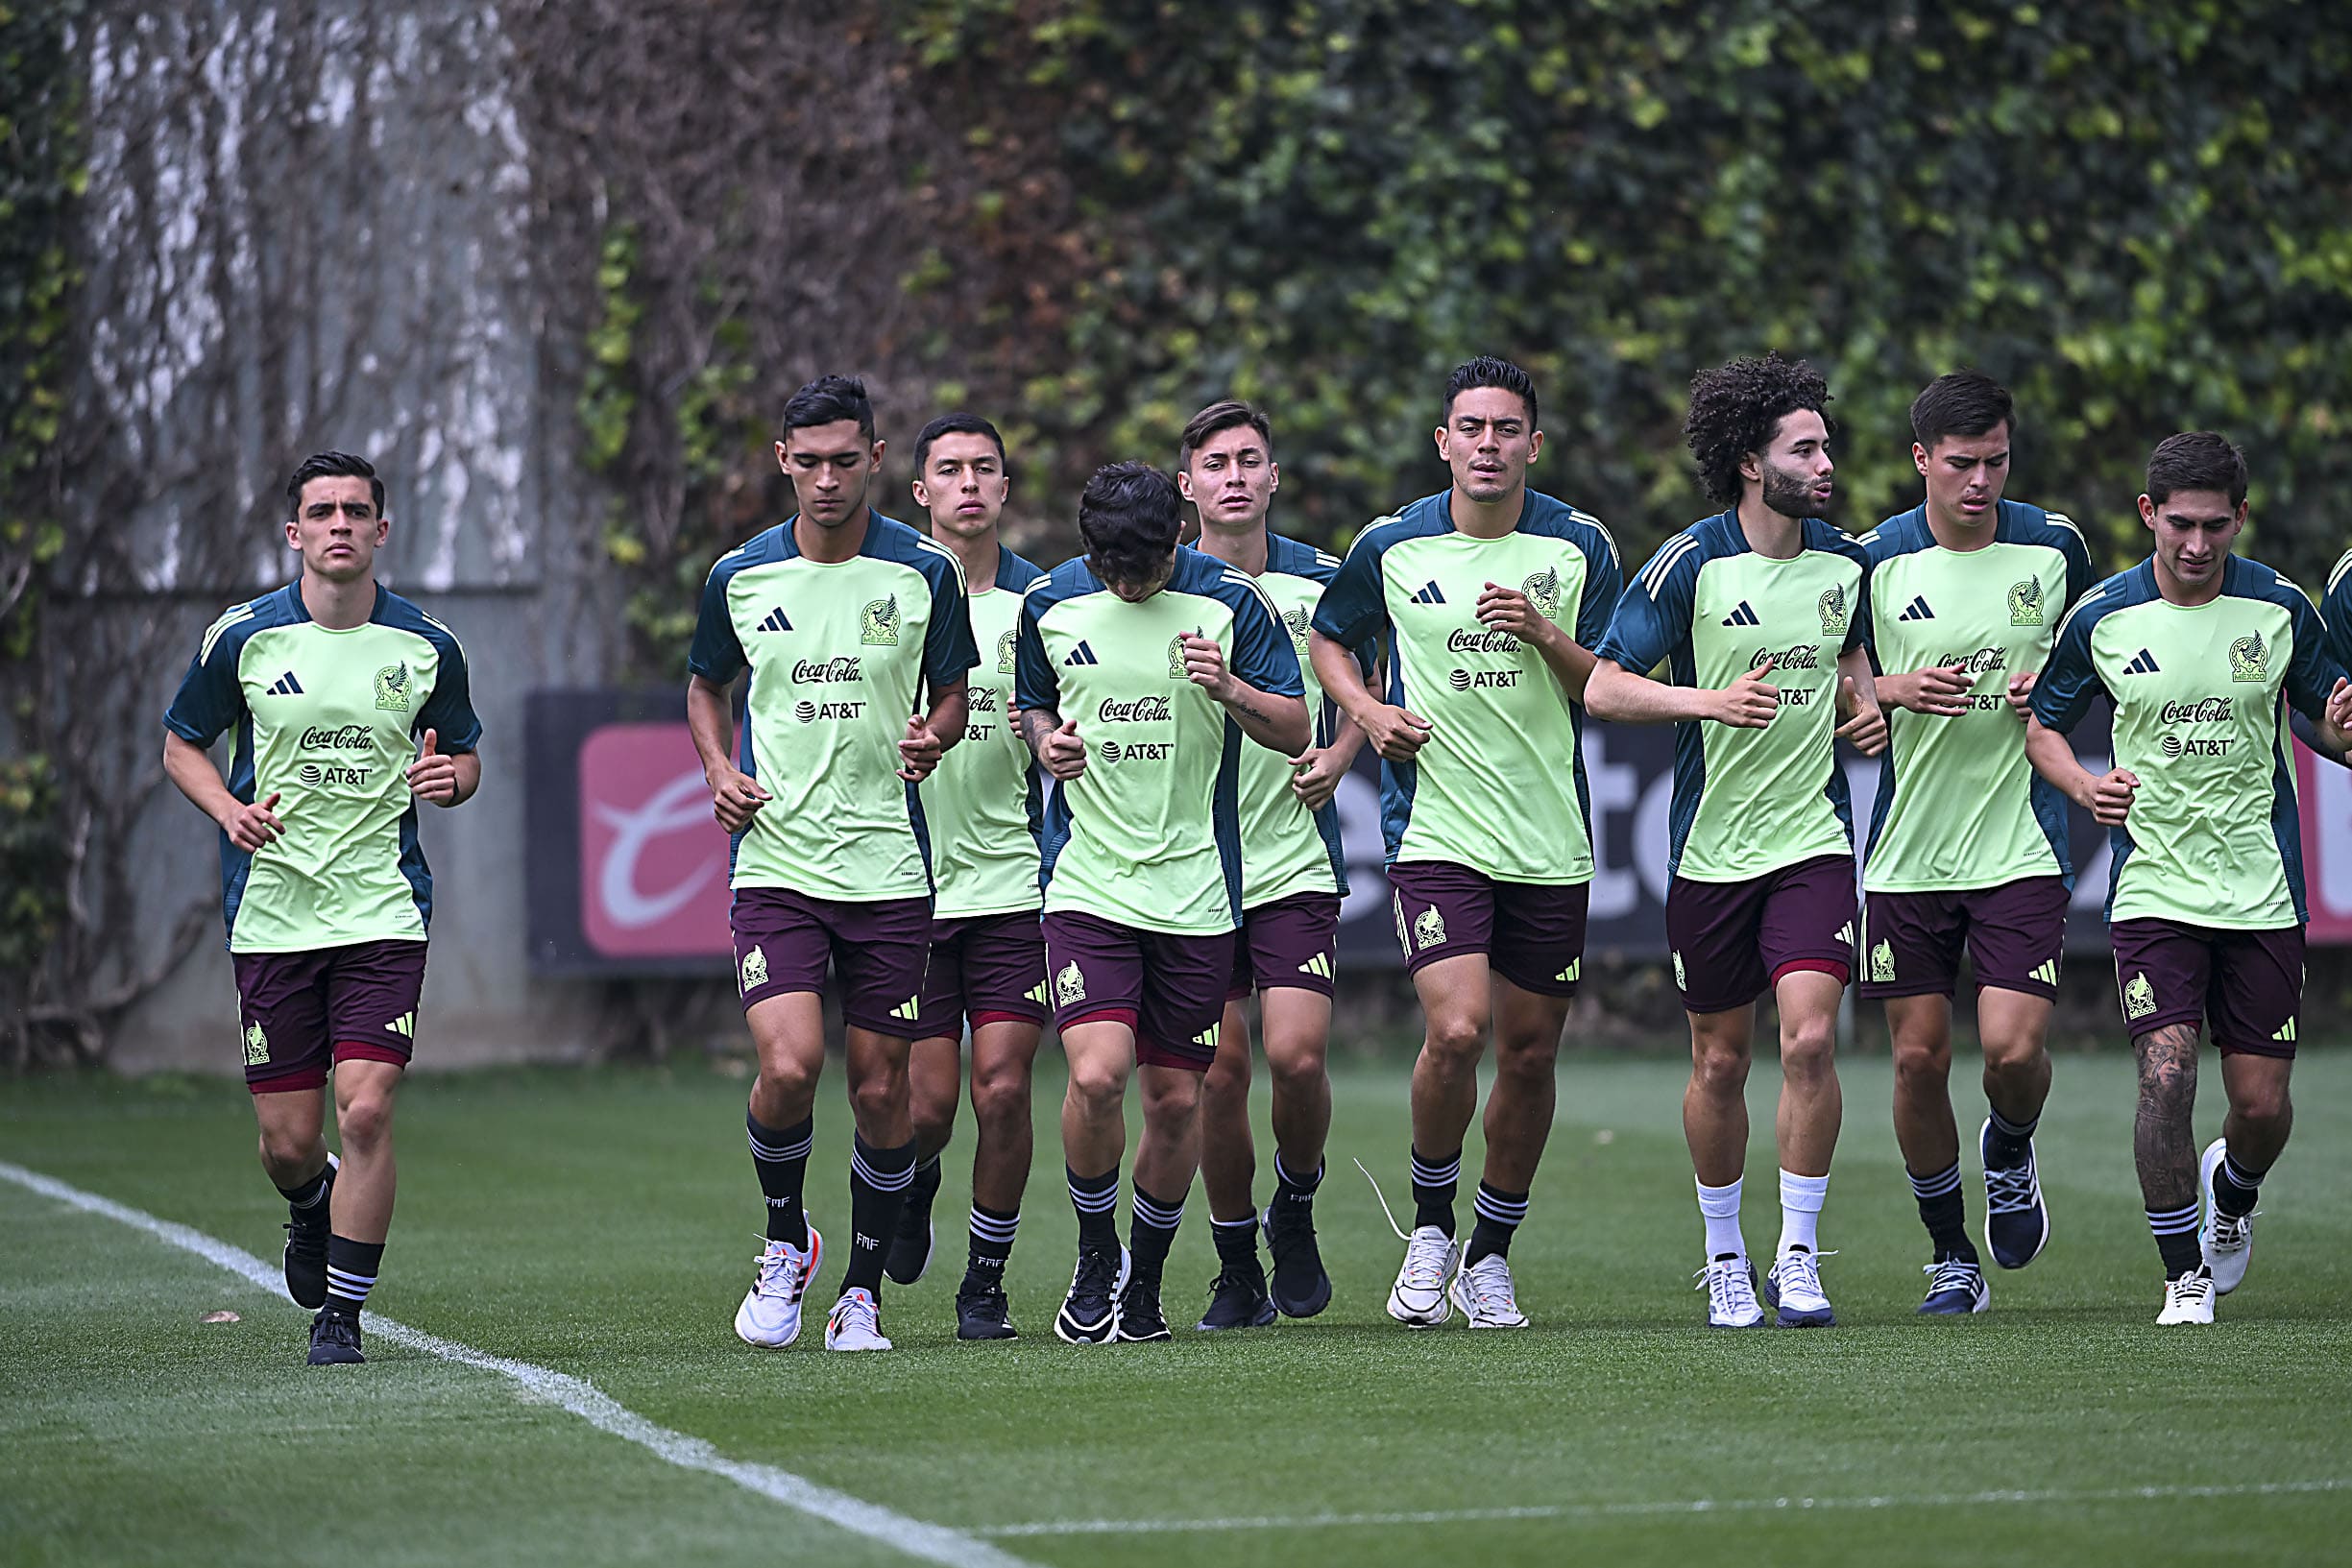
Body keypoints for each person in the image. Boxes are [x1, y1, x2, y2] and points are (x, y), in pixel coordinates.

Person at [1309, 356, 1622, 1330]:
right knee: (1455, 1029)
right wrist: (1366, 707)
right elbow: (1331, 635)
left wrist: (1542, 632)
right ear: (1442, 441)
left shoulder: (1576, 546)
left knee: (1528, 1057)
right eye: (1470, 428)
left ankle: (1489, 1253)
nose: (1488, 445)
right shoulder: (1391, 544)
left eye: (1505, 429)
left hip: (1548, 840)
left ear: (1534, 442)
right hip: (1436, 829)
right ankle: (1433, 1225)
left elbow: (1603, 678)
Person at [1586, 351, 1886, 1330]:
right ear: (1753, 463)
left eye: (1826, 443)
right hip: (1709, 854)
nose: (1826, 459)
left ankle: (1797, 1255)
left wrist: (1864, 703)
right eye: (1805, 447)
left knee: (1806, 1039)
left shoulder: (1848, 564)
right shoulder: (1692, 562)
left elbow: (1853, 663)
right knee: (1719, 1064)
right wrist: (1705, 699)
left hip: (1812, 843)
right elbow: (1603, 685)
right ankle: (1724, 1256)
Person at [161, 451, 482, 1365]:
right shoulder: (245, 638)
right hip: (273, 915)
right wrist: (228, 809)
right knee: (287, 1141)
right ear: (293, 531)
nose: (338, 524)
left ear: (382, 531)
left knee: (368, 1109)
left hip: (384, 911)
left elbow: (465, 759)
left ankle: (340, 1315)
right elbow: (183, 743)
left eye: (355, 511)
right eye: (321, 511)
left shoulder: (427, 645)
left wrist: (447, 780)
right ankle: (310, 1203)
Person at [2025, 431, 2352, 1325]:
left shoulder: (2281, 608)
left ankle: (2233, 1194)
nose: (2197, 545)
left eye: (2215, 526)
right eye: (2180, 525)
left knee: (2261, 1105)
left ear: (2239, 518)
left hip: (2260, 885)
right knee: (2165, 1078)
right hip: (2153, 887)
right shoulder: (2102, 615)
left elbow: (2328, 724)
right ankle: (2182, 1275)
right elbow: (2043, 726)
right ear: (2147, 515)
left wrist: (2342, 731)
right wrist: (2086, 785)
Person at [688, 374, 978, 1354]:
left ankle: (861, 1292)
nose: (824, 479)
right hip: (775, 864)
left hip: (890, 870)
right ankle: (784, 1241)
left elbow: (952, 696)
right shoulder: (741, 575)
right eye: (806, 461)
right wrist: (720, 767)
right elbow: (702, 686)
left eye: (842, 460)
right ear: (782, 461)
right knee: (788, 1063)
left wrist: (933, 737)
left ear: (874, 460)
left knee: (882, 1091)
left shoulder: (923, 574)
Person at [1013, 461, 1307, 1343]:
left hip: (1197, 894)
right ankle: (1097, 1251)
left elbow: (1296, 726)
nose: (1125, 583)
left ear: (1176, 538)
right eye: (1110, 566)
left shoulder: (1232, 605)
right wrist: (1045, 742)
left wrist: (1229, 688)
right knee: (1098, 1075)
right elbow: (1032, 704)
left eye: (1141, 567)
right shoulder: (1050, 605)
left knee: (1178, 1102)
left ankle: (1145, 1279)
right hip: (1090, 883)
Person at [1855, 372, 2096, 1314]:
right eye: (1960, 464)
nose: (1980, 481)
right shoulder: (1869, 561)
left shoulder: (2055, 546)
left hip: (2019, 848)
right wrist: (1880, 693)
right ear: (1921, 459)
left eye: (1996, 462)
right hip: (1906, 855)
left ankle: (2010, 1144)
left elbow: (2101, 652)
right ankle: (1950, 1252)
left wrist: (2057, 693)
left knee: (2005, 1050)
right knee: (1916, 1061)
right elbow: (1831, 676)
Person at [1176, 399, 1365, 1329]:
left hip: (1294, 858)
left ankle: (1294, 1204)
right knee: (1218, 1070)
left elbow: (1364, 691)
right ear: (1188, 486)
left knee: (1294, 1058)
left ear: (1274, 476)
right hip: (1194, 870)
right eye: (1215, 463)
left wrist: (1340, 752)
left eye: (1250, 458)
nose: (1235, 475)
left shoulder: (1324, 582)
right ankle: (1234, 1259)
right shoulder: (1158, 586)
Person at [889, 413, 1052, 1340]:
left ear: (1003, 486)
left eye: (984, 468)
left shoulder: (1047, 603)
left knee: (1000, 1088)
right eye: (948, 470)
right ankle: (913, 1185)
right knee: (927, 1106)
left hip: (1016, 890)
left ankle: (983, 1282)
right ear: (921, 491)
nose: (967, 483)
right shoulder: (890, 595)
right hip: (910, 891)